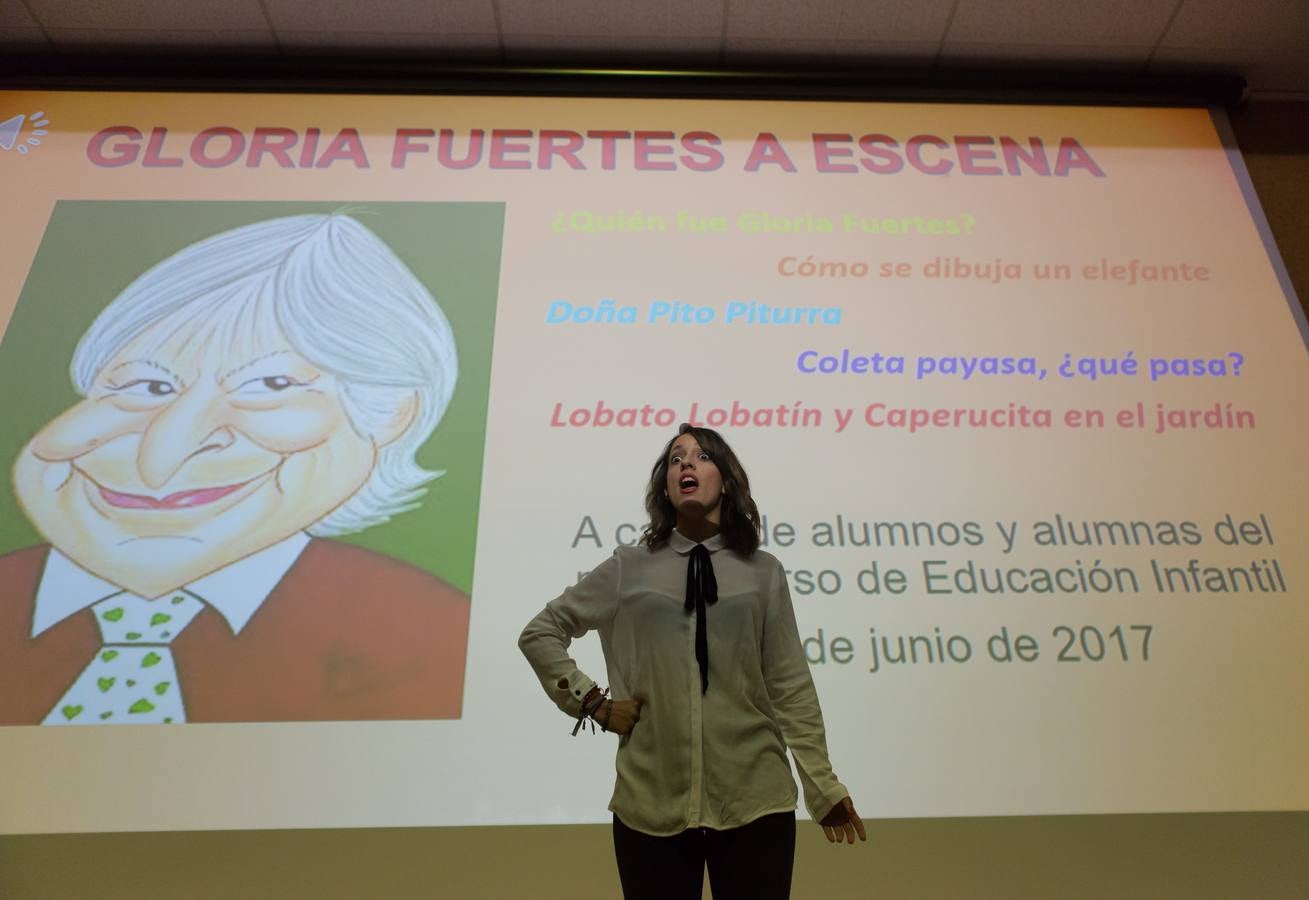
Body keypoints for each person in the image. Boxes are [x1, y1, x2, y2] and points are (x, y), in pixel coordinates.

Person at [0, 212, 470, 725]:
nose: (166, 452)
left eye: (270, 386)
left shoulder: (433, 634)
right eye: (146, 387)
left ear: (392, 414)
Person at [520, 424, 865, 900]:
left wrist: (822, 786)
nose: (686, 463)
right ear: (665, 484)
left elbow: (789, 685)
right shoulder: (628, 566)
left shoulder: (764, 572)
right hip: (649, 803)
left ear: (726, 479)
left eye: (702, 456)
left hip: (755, 801)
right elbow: (540, 632)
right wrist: (592, 701)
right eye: (676, 458)